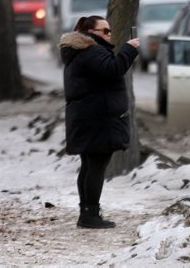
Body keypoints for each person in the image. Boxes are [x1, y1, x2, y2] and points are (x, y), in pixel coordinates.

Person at [58, 15, 140, 229]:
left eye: (109, 31)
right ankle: (90, 215)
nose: (109, 35)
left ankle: (87, 212)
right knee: (95, 166)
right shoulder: (91, 51)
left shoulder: (81, 51)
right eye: (105, 31)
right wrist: (129, 49)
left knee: (89, 165)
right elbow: (113, 69)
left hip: (88, 117)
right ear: (90, 32)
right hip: (97, 119)